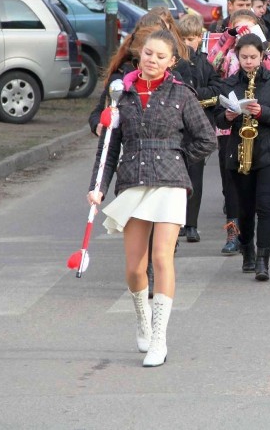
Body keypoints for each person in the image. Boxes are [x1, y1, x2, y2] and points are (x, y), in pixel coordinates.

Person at [88, 29, 217, 367]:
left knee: (162, 257)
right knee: (134, 268)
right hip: (132, 180)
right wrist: (98, 186)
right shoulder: (122, 94)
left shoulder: (181, 94)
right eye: (148, 53)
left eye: (160, 56)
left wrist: (176, 157)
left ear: (172, 61)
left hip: (170, 184)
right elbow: (108, 147)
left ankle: (159, 338)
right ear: (139, 54)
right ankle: (143, 321)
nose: (152, 60)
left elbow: (206, 137)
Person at [217, 34, 270, 281]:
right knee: (245, 209)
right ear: (237, 56)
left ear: (262, 57)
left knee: (265, 205)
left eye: (253, 57)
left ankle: (262, 261)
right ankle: (247, 250)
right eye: (244, 57)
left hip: (269, 150)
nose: (248, 62)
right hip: (239, 151)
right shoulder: (228, 83)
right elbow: (217, 115)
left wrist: (262, 111)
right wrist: (227, 116)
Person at [173, 13, 224, 244]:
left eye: (193, 38)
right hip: (177, 127)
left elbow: (216, 89)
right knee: (176, 177)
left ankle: (191, 224)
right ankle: (178, 222)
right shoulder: (175, 62)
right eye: (185, 39)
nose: (189, 43)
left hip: (199, 126)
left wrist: (195, 95)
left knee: (195, 177)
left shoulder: (205, 63)